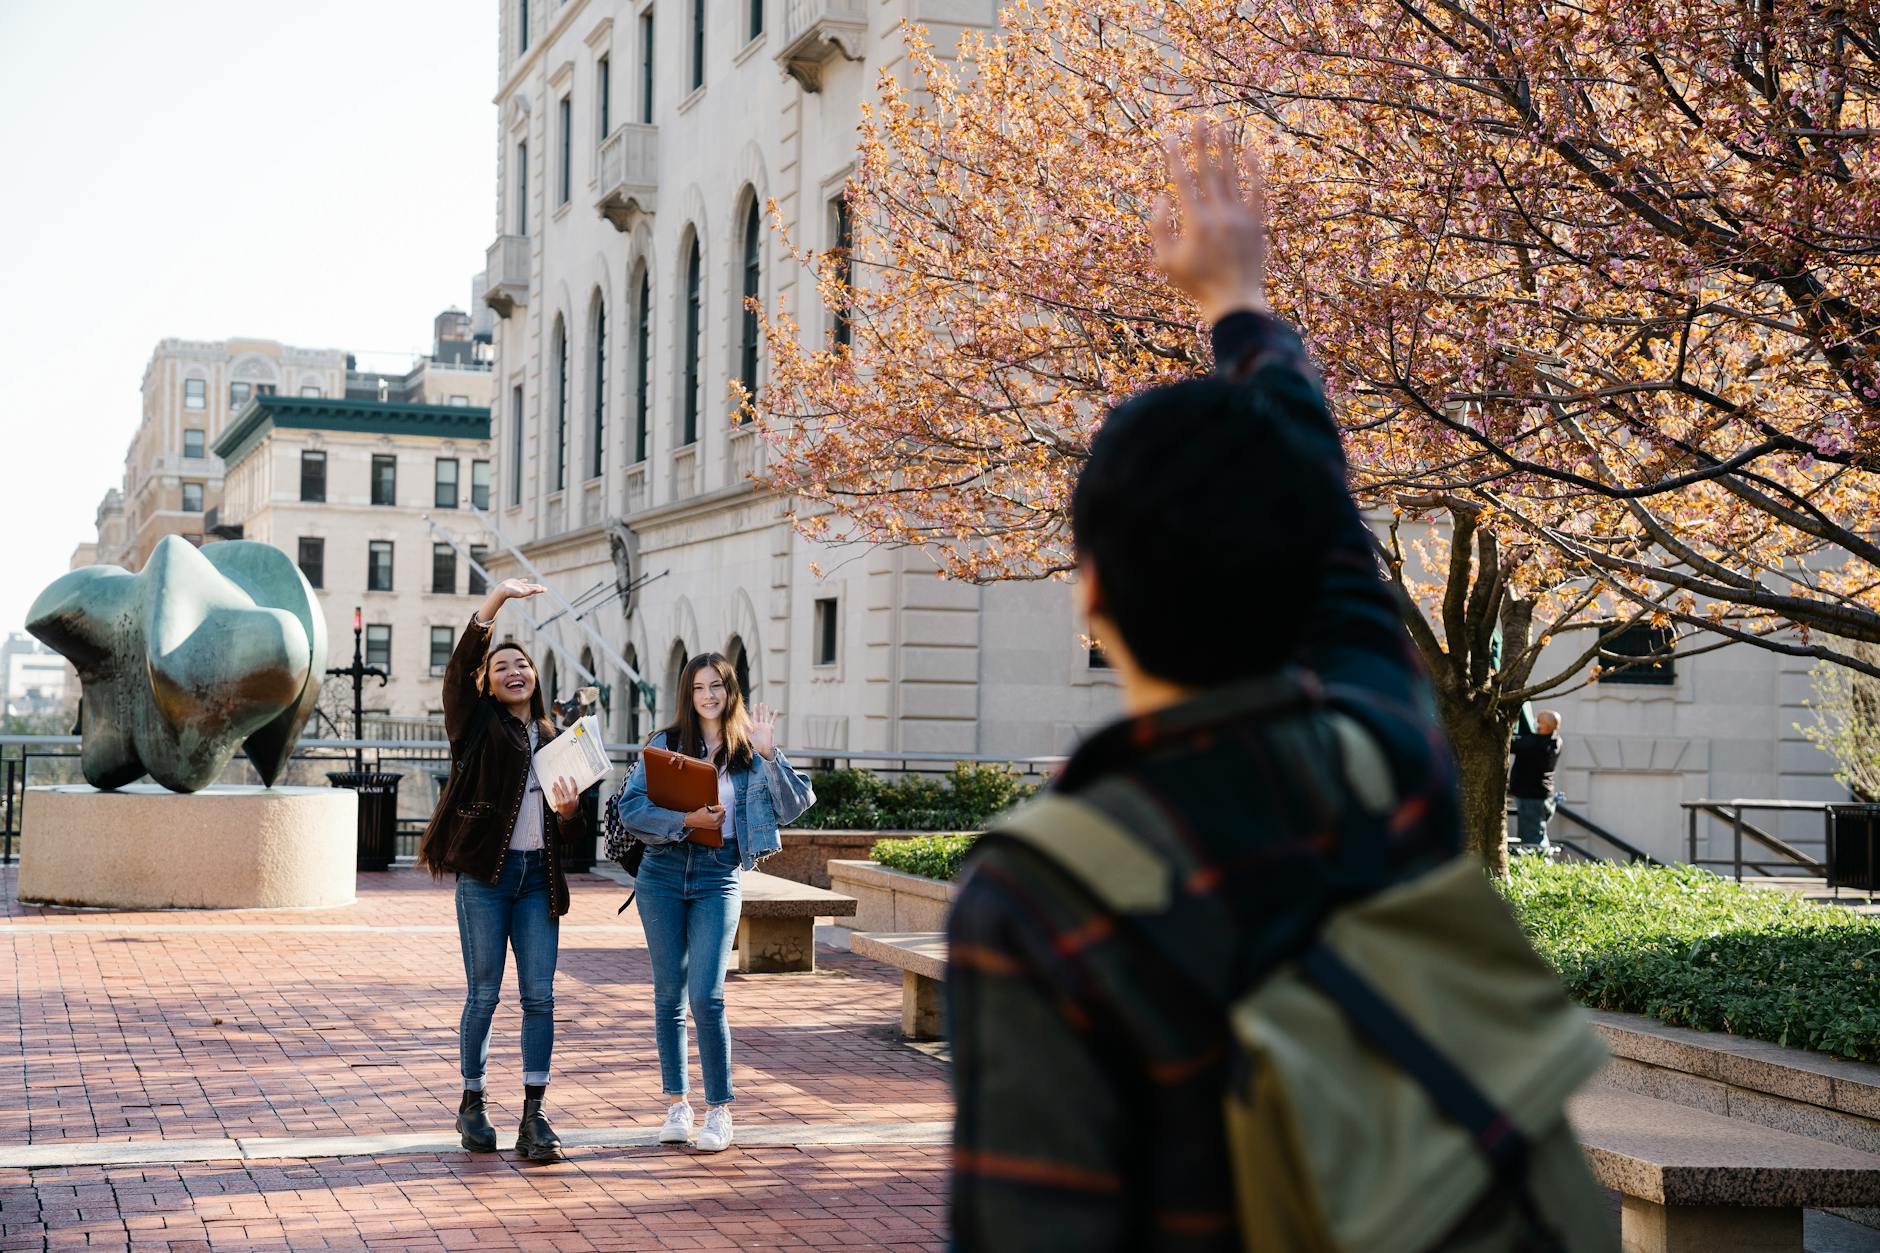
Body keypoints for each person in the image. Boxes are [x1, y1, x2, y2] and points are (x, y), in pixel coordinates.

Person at [945, 123, 1609, 1250]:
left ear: (1090, 594)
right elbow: (1327, 527)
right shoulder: (1386, 757)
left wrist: (1230, 304)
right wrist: (1237, 301)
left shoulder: (1042, 901)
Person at [610, 654, 815, 1152]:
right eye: (700, 686)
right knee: (668, 997)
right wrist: (686, 822)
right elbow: (631, 808)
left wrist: (770, 755)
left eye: (717, 685)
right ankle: (676, 1104)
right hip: (661, 873)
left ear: (730, 690)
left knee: (707, 995)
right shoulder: (664, 744)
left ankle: (719, 1111)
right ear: (689, 692)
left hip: (717, 875)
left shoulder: (749, 749)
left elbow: (794, 806)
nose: (708, 694)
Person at [418, 578, 585, 1164]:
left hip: (538, 884)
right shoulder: (477, 726)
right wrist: (497, 601)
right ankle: (473, 1104)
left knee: (539, 998)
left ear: (535, 679)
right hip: (486, 881)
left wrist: (568, 814)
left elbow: (575, 833)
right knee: (484, 994)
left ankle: (534, 1115)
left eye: (523, 665)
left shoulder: (554, 737)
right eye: (501, 667)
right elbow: (459, 669)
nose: (514, 671)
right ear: (488, 684)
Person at [1510, 708, 1564, 849]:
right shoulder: (1555, 740)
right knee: (1539, 833)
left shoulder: (1536, 744)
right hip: (1544, 796)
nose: (1535, 723)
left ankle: (1539, 865)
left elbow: (1510, 744)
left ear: (1545, 727)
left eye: (1538, 721)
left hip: (1531, 798)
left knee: (1532, 841)